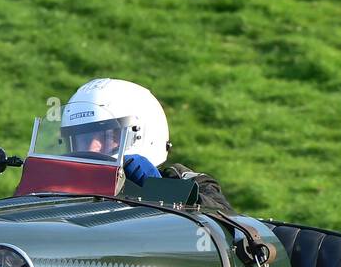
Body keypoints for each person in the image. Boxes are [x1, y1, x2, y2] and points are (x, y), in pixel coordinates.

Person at [58, 78, 233, 212]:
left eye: (107, 137)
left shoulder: (188, 181)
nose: (91, 148)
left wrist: (159, 189)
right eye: (82, 139)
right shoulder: (58, 191)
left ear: (143, 134)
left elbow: (227, 222)